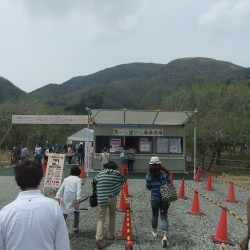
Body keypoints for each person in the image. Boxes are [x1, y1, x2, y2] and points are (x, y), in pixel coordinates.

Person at [0, 160, 70, 250]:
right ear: (40, 180)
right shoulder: (54, 207)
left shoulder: (5, 213)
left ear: (17, 181)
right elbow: (63, 246)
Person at [92, 161, 126, 249]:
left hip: (101, 198)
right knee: (112, 217)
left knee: (101, 218)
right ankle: (111, 235)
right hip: (112, 197)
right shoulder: (117, 174)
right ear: (114, 167)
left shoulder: (100, 174)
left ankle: (98, 238)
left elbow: (93, 182)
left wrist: (96, 190)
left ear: (106, 167)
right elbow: (124, 180)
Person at [146, 156, 171, 248]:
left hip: (154, 196)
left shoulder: (149, 175)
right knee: (164, 215)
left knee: (154, 214)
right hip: (164, 197)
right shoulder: (164, 174)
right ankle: (164, 236)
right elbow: (169, 184)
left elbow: (148, 187)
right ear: (159, 164)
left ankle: (155, 232)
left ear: (150, 165)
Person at [55, 165, 82, 233]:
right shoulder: (78, 180)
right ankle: (75, 227)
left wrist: (58, 197)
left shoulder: (66, 179)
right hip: (74, 198)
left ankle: (61, 228)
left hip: (65, 197)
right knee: (76, 212)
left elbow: (61, 189)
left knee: (64, 212)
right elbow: (79, 190)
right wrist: (78, 200)